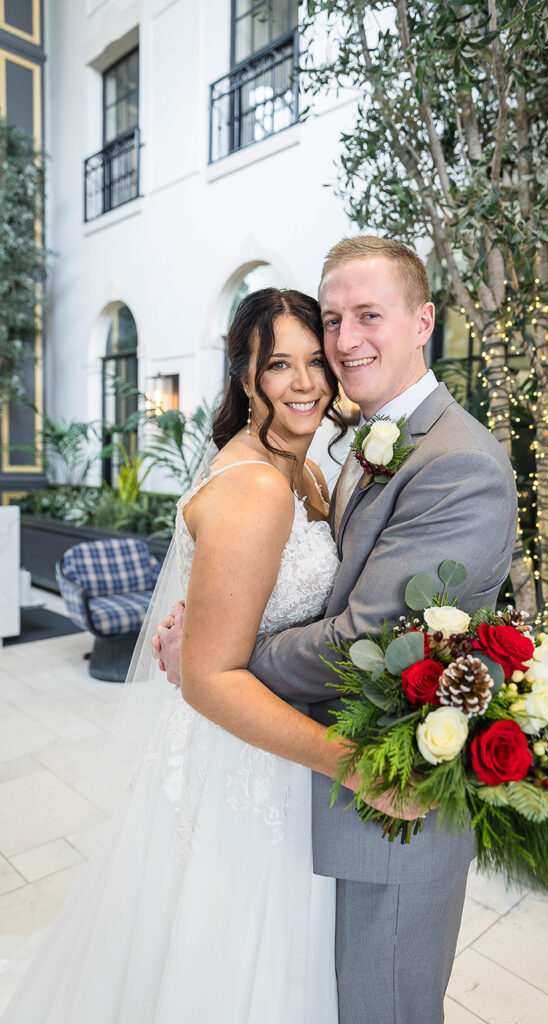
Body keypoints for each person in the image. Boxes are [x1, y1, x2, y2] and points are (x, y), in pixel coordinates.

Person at [3, 287, 411, 1024]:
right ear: (245, 376)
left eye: (316, 362)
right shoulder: (257, 484)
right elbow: (209, 680)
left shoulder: (299, 466)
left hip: (270, 742)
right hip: (248, 762)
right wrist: (353, 766)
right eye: (279, 365)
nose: (306, 383)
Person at [156, 236, 519, 1024]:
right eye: (332, 321)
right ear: (245, 375)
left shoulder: (455, 461)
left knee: (381, 1003)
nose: (343, 343)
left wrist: (219, 655)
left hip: (389, 799)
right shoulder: (346, 447)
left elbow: (363, 638)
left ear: (422, 321)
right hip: (313, 773)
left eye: (368, 316)